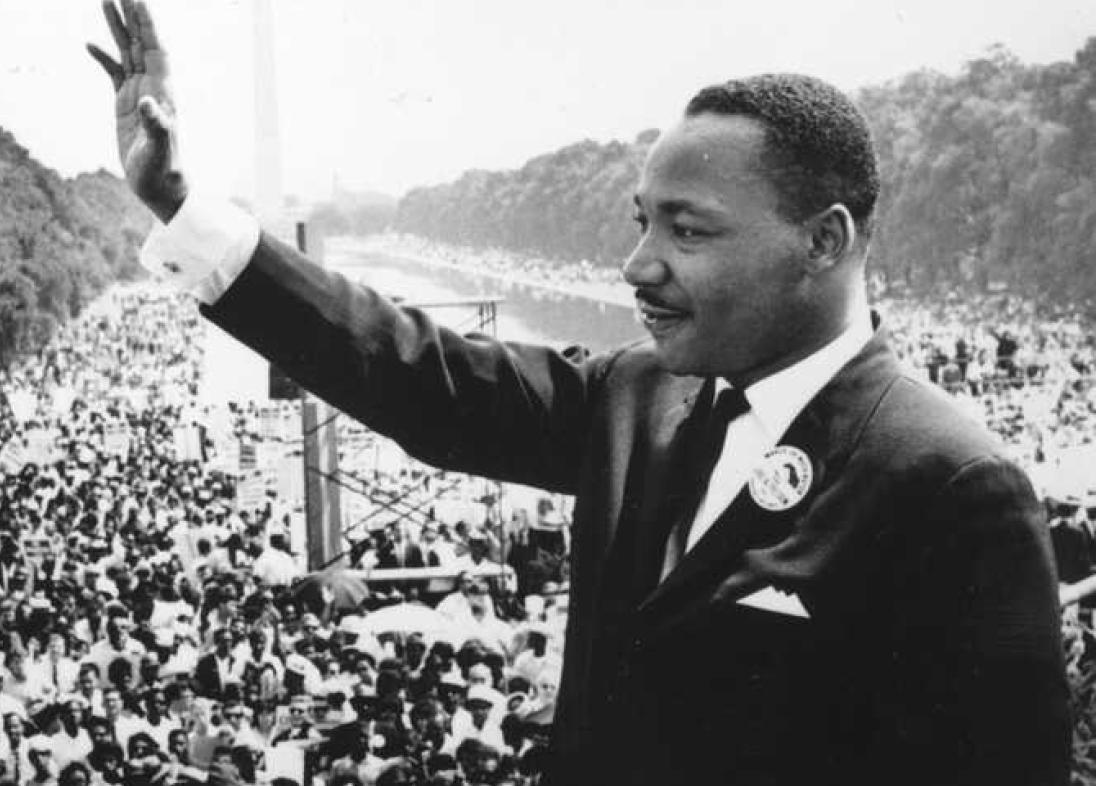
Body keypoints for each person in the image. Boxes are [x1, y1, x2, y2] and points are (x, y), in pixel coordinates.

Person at [85, 2, 1070, 784]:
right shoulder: (635, 395)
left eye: (688, 231)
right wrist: (182, 206)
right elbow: (410, 369)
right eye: (642, 222)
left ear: (825, 241)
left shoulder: (951, 485)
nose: (637, 265)